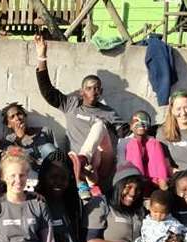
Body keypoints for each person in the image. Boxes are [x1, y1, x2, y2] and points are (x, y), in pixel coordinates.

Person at [34, 33, 127, 191]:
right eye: (89, 88)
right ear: (81, 91)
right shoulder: (72, 104)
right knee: (82, 164)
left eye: (97, 88)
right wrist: (42, 57)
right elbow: (48, 92)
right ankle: (88, 183)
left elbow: (125, 133)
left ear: (101, 92)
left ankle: (84, 162)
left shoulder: (108, 112)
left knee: (100, 126)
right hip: (75, 164)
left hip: (101, 163)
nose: (94, 91)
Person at [0, 101, 57, 185]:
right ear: (9, 124)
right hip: (29, 176)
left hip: (50, 171)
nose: (17, 118)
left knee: (48, 147)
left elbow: (57, 153)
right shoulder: (8, 141)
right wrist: (20, 138)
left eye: (19, 114)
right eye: (12, 117)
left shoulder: (44, 131)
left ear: (25, 116)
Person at [118, 110, 171, 190]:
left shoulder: (154, 143)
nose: (141, 124)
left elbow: (162, 163)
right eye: (136, 121)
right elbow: (121, 163)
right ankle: (137, 182)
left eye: (144, 121)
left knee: (153, 144)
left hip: (153, 180)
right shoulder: (124, 142)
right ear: (131, 126)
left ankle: (161, 183)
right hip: (131, 178)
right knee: (134, 144)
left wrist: (161, 178)